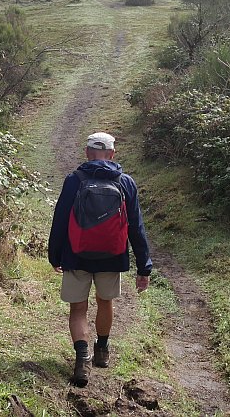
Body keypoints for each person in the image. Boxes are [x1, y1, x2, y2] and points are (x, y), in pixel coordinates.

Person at [48, 131, 152, 387]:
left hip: (76, 254)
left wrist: (55, 254)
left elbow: (60, 219)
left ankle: (82, 359)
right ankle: (102, 351)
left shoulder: (74, 180)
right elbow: (136, 227)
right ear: (113, 154)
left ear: (87, 153)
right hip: (112, 255)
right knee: (105, 302)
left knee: (78, 309)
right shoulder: (125, 182)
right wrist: (144, 267)